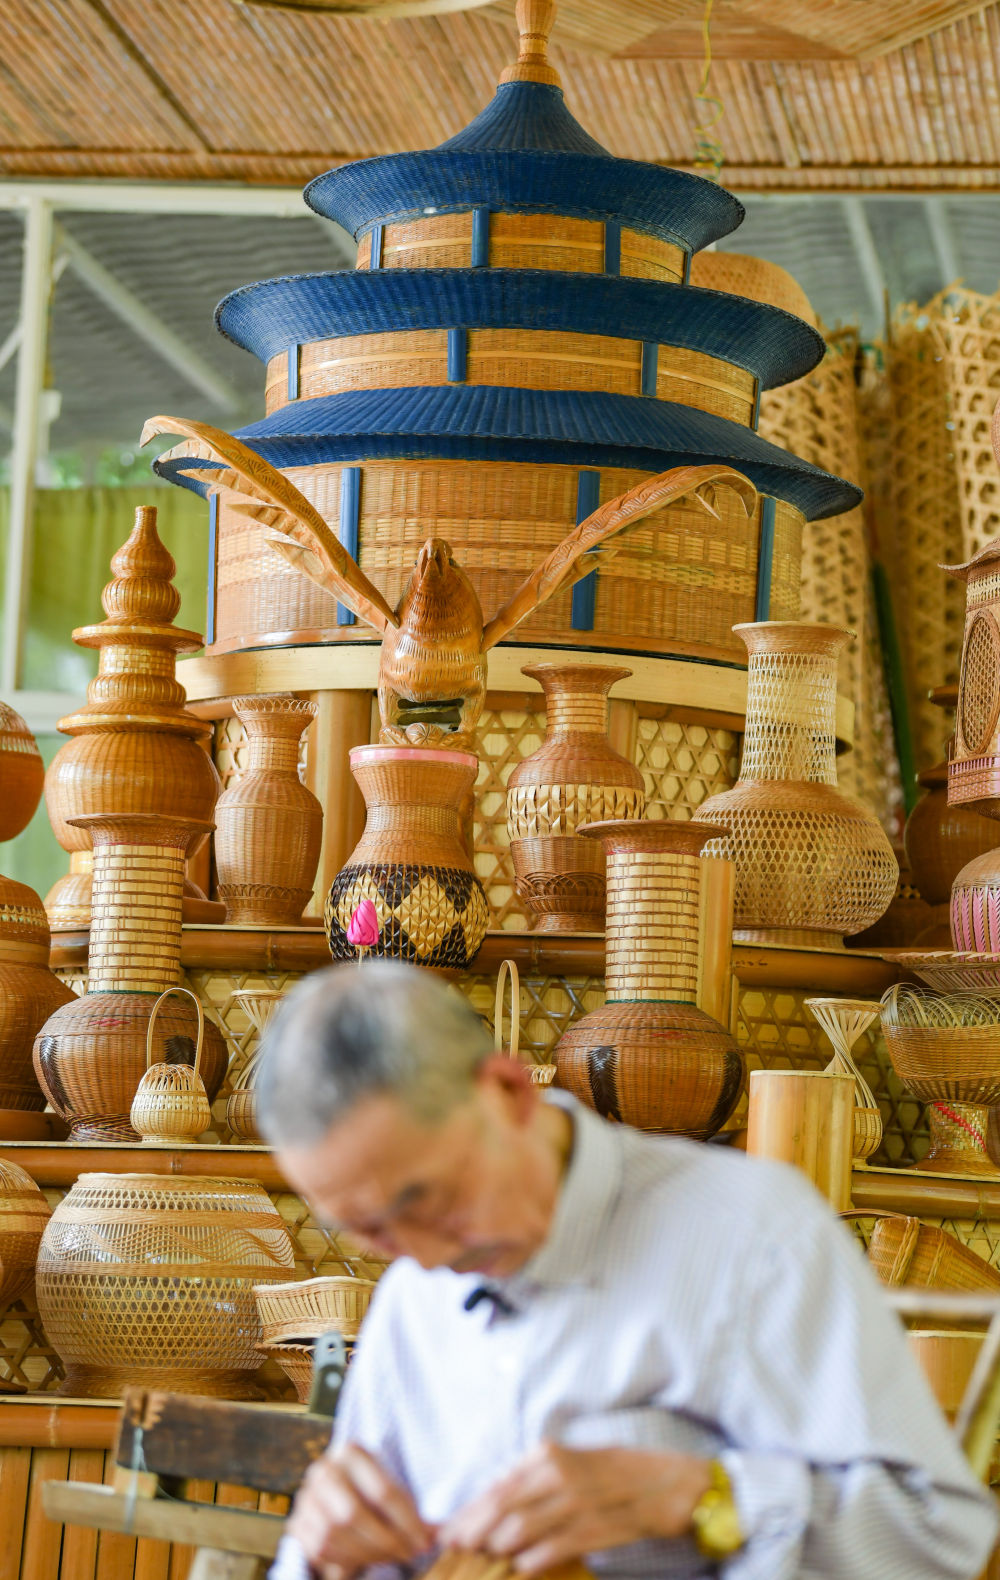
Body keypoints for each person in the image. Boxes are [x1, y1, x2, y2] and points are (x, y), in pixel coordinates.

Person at [258, 960, 998, 1580]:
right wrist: (323, 1552)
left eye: (430, 1198)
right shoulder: (412, 1300)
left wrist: (704, 1496)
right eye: (371, 1232)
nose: (425, 1257)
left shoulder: (753, 1237)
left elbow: (938, 1541)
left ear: (508, 1093)